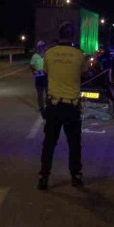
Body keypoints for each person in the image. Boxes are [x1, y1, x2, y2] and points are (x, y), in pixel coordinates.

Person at [38, 22, 89, 190]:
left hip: (54, 106)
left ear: (59, 34)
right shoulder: (79, 54)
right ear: (72, 36)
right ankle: (76, 176)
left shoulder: (49, 53)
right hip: (72, 107)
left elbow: (46, 72)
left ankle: (43, 177)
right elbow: (84, 73)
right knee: (74, 144)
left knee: (49, 143)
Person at [29, 40, 47, 118]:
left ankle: (48, 106)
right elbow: (31, 65)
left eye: (43, 46)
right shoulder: (35, 56)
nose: (41, 48)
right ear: (38, 47)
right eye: (40, 46)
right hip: (38, 77)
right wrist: (34, 70)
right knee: (40, 93)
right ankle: (41, 107)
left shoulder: (47, 55)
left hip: (46, 76)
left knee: (48, 93)